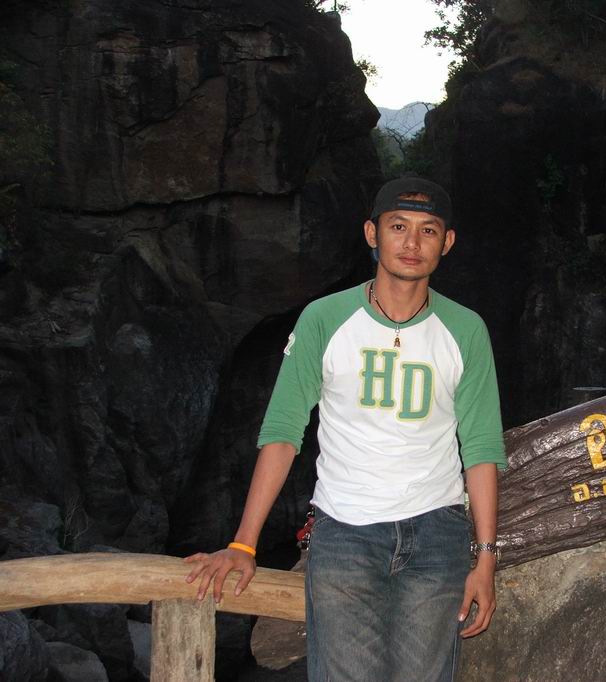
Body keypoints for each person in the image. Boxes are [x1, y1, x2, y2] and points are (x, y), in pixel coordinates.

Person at [185, 176, 507, 681]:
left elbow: (482, 447)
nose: (412, 242)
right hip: (345, 533)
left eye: (427, 230)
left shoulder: (465, 329)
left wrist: (484, 560)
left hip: (437, 534)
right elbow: (283, 432)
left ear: (446, 242)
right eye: (398, 226)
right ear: (372, 233)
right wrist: (244, 544)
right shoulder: (324, 319)